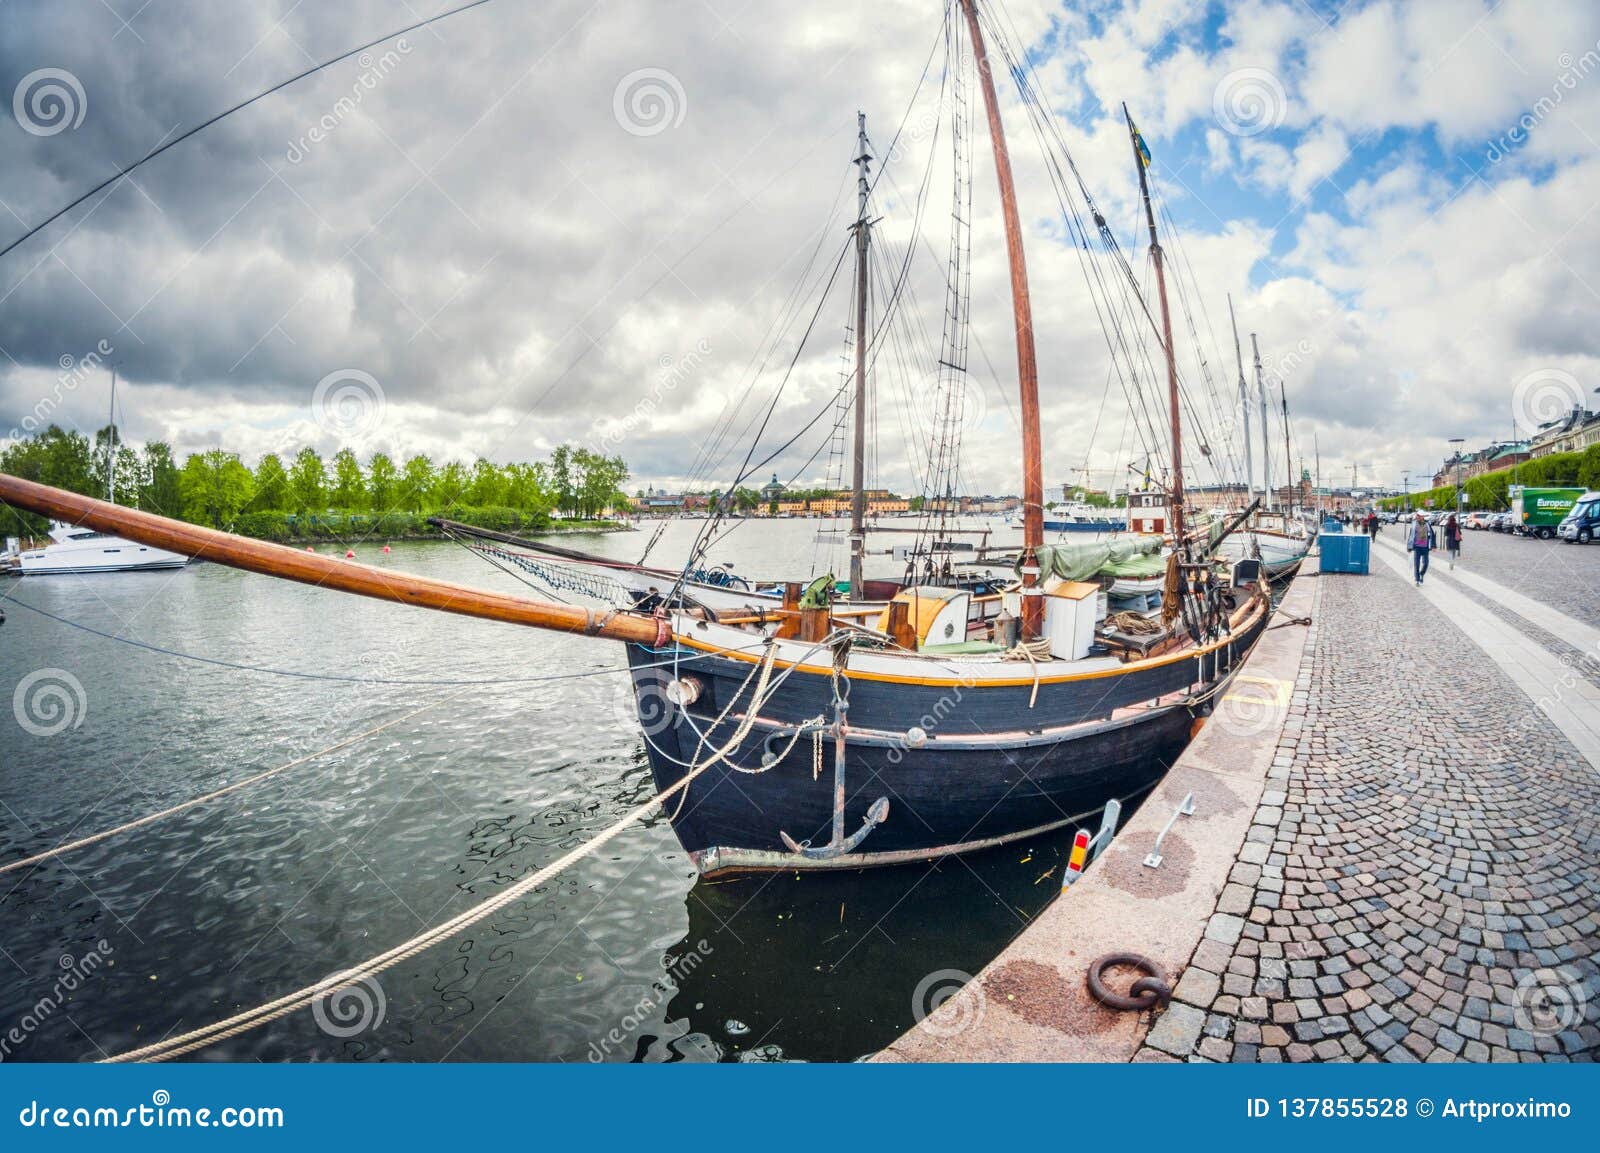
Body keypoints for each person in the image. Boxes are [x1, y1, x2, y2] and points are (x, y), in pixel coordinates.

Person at [1408, 510, 1435, 585]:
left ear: (1422, 517)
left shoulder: (1427, 524)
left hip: (1425, 547)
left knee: (1426, 563)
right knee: (1417, 564)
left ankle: (1421, 574)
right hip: (1417, 547)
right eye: (1417, 516)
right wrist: (1409, 547)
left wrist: (1433, 546)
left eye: (1418, 516)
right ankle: (1417, 579)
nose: (1417, 517)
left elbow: (1432, 535)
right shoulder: (1414, 524)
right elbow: (1411, 535)